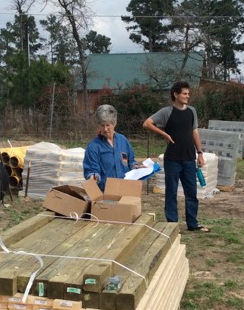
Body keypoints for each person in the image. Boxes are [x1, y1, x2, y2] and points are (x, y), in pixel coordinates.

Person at [143, 80, 210, 232]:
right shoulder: (166, 112)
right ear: (175, 94)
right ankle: (172, 225)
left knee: (191, 193)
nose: (188, 96)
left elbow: (195, 132)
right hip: (172, 159)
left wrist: (200, 153)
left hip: (188, 158)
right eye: (185, 94)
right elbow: (147, 123)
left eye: (188, 94)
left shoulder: (191, 111)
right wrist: (164, 133)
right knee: (171, 192)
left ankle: (193, 224)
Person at [83, 104, 136, 191]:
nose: (105, 129)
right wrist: (93, 176)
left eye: (108, 125)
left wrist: (136, 166)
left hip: (125, 190)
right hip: (106, 193)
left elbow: (131, 161)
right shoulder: (93, 146)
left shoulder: (123, 141)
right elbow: (91, 169)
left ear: (114, 123)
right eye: (102, 125)